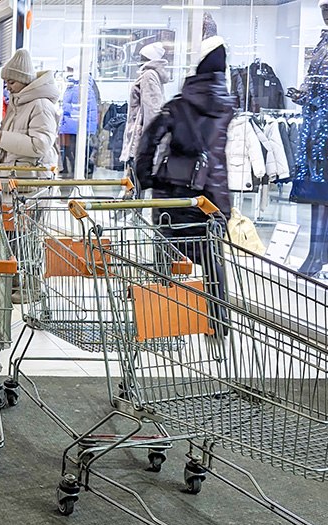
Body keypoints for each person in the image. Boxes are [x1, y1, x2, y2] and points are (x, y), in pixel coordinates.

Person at [135, 35, 235, 331]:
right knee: (211, 258)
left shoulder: (179, 106)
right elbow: (216, 156)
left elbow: (149, 141)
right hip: (212, 193)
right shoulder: (225, 107)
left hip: (173, 190)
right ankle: (218, 319)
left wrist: (145, 177)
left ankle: (165, 320)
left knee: (165, 252)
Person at [0, 49, 60, 302]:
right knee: (11, 237)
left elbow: (40, 145)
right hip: (14, 183)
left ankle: (32, 287)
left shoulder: (41, 105)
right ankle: (11, 283)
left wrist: (3, 138)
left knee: (28, 238)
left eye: (11, 82)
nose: (8, 87)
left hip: (32, 184)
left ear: (25, 80)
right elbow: (14, 142)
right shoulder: (18, 104)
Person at [287, 0, 328, 277]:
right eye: (324, 9)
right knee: (319, 192)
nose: (327, 14)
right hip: (320, 130)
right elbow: (316, 84)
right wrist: (304, 95)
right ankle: (316, 254)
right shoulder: (325, 44)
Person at [120, 42, 168, 170]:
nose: (139, 60)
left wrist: (148, 141)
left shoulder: (148, 75)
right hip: (141, 133)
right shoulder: (151, 74)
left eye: (142, 57)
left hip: (140, 135)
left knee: (136, 173)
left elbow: (152, 110)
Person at [58, 57, 100, 178]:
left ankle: (79, 174)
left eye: (70, 69)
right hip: (72, 125)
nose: (67, 72)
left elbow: (81, 108)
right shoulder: (74, 85)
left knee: (76, 152)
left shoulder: (81, 86)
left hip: (76, 125)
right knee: (70, 151)